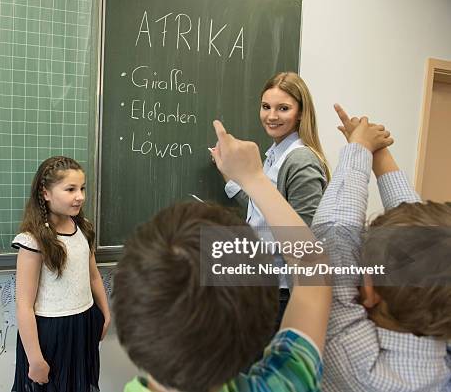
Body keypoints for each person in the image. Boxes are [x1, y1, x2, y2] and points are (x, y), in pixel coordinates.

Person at [113, 120, 334, 392]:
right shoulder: (283, 383)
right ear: (259, 331)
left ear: (127, 322)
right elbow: (312, 264)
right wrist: (254, 179)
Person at [312, 105, 451, 392]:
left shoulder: (357, 361)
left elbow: (334, 239)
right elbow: (425, 241)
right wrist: (375, 152)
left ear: (371, 290)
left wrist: (360, 147)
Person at [215, 71, 330, 318]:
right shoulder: (274, 155)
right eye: (266, 106)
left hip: (282, 293)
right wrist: (233, 177)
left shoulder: (300, 161)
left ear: (300, 112)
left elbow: (303, 240)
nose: (271, 116)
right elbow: (264, 210)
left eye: (283, 108)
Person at [11, 156, 111, 392]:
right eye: (70, 189)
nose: (80, 196)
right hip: (51, 332)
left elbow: (93, 275)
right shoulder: (33, 240)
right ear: (45, 193)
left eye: (82, 188)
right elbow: (23, 305)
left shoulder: (83, 227)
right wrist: (35, 359)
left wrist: (105, 312)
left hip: (84, 323)